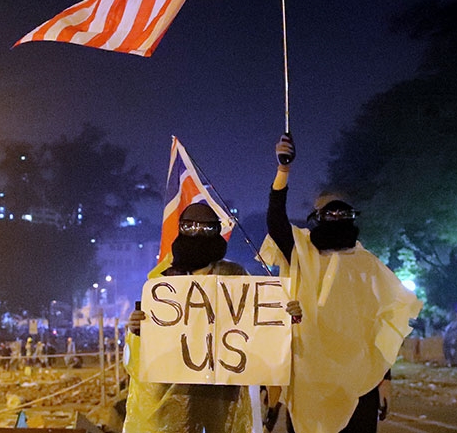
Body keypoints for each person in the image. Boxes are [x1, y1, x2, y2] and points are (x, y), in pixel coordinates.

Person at [262, 134, 422, 433]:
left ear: (353, 217)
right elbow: (276, 221)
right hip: (309, 379)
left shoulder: (368, 265)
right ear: (317, 217)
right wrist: (283, 170)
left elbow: (381, 325)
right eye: (329, 213)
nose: (336, 217)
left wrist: (384, 380)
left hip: (359, 382)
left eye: (343, 212)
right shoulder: (302, 251)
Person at [122, 202, 255, 433]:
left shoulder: (235, 276)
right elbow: (141, 354)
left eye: (207, 228)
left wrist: (288, 315)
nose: (198, 233)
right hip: (172, 391)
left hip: (220, 390)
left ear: (217, 231)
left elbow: (257, 322)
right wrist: (136, 329)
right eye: (191, 227)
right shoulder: (162, 280)